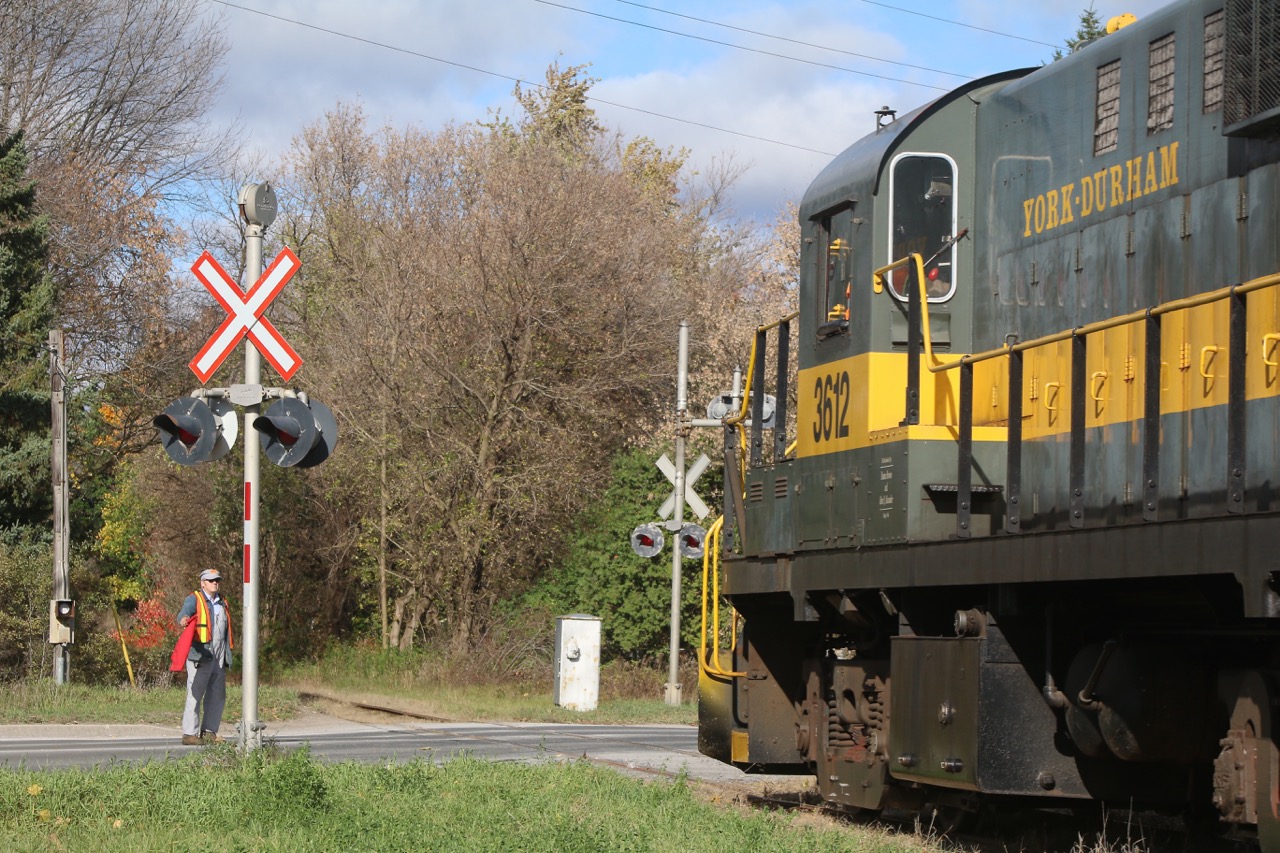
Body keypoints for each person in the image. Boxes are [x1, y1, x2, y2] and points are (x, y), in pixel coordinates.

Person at [175, 568, 234, 745]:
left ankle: (209, 732)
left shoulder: (222, 602)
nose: (215, 583)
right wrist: (184, 619)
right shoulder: (194, 598)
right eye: (211, 580)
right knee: (195, 694)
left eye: (217, 580)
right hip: (200, 655)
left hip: (219, 654)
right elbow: (183, 613)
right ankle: (189, 734)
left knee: (217, 694)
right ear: (203, 583)